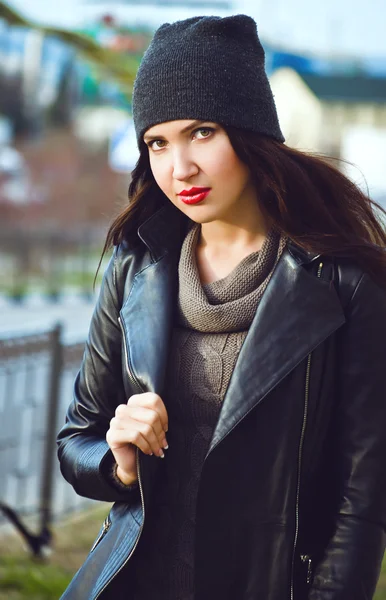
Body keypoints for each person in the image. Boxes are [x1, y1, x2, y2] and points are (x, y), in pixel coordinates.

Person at [57, 14, 386, 600]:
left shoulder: (343, 284)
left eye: (202, 132)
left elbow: (360, 503)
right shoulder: (137, 267)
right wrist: (119, 462)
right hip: (130, 581)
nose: (179, 168)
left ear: (251, 132)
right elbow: (76, 441)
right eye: (157, 142)